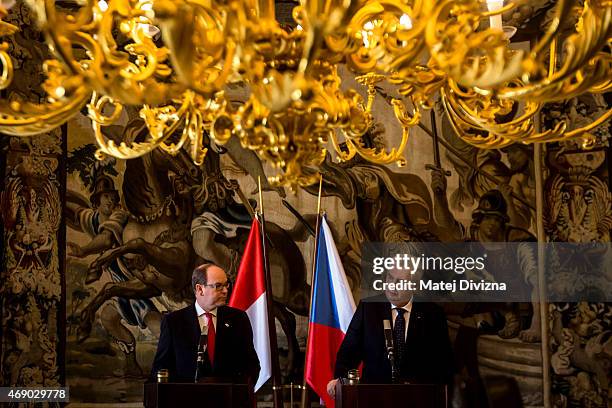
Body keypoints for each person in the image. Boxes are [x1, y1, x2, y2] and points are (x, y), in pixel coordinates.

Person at [326, 267, 454, 399]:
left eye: (400, 282)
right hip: (373, 397)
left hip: (416, 399)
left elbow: (444, 364)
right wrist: (341, 381)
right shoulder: (368, 307)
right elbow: (348, 353)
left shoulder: (433, 314)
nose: (392, 285)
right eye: (390, 278)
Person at [150, 263, 260, 384]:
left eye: (226, 285)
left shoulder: (238, 319)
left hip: (228, 399)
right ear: (200, 289)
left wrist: (239, 393)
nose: (225, 291)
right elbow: (161, 368)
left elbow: (251, 366)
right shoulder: (174, 322)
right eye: (218, 286)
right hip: (187, 399)